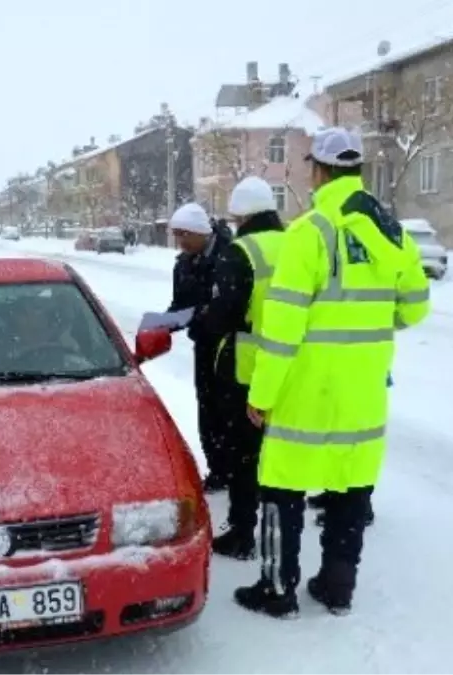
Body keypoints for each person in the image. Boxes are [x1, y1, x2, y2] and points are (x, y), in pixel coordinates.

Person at [234, 127, 431, 618]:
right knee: (349, 487)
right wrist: (366, 324)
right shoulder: (392, 232)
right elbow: (416, 308)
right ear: (357, 169)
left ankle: (278, 590)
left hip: (305, 391)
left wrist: (260, 395)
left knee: (282, 488)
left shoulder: (311, 232)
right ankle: (337, 586)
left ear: (318, 171)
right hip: (363, 390)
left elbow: (281, 331)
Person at [189, 177, 285, 560]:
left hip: (247, 367)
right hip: (295, 365)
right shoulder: (297, 243)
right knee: (280, 451)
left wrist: (202, 323)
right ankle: (283, 527)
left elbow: (225, 312)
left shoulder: (240, 252)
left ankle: (243, 532)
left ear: (241, 214)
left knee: (244, 452)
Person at [166, 202, 234, 493]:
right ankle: (218, 469)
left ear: (200, 232)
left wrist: (208, 313)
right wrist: (163, 323)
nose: (180, 242)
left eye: (184, 235)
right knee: (207, 409)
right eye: (176, 236)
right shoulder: (182, 264)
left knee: (230, 410)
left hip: (231, 346)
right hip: (204, 345)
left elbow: (231, 302)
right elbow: (180, 305)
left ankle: (238, 470)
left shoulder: (230, 256)